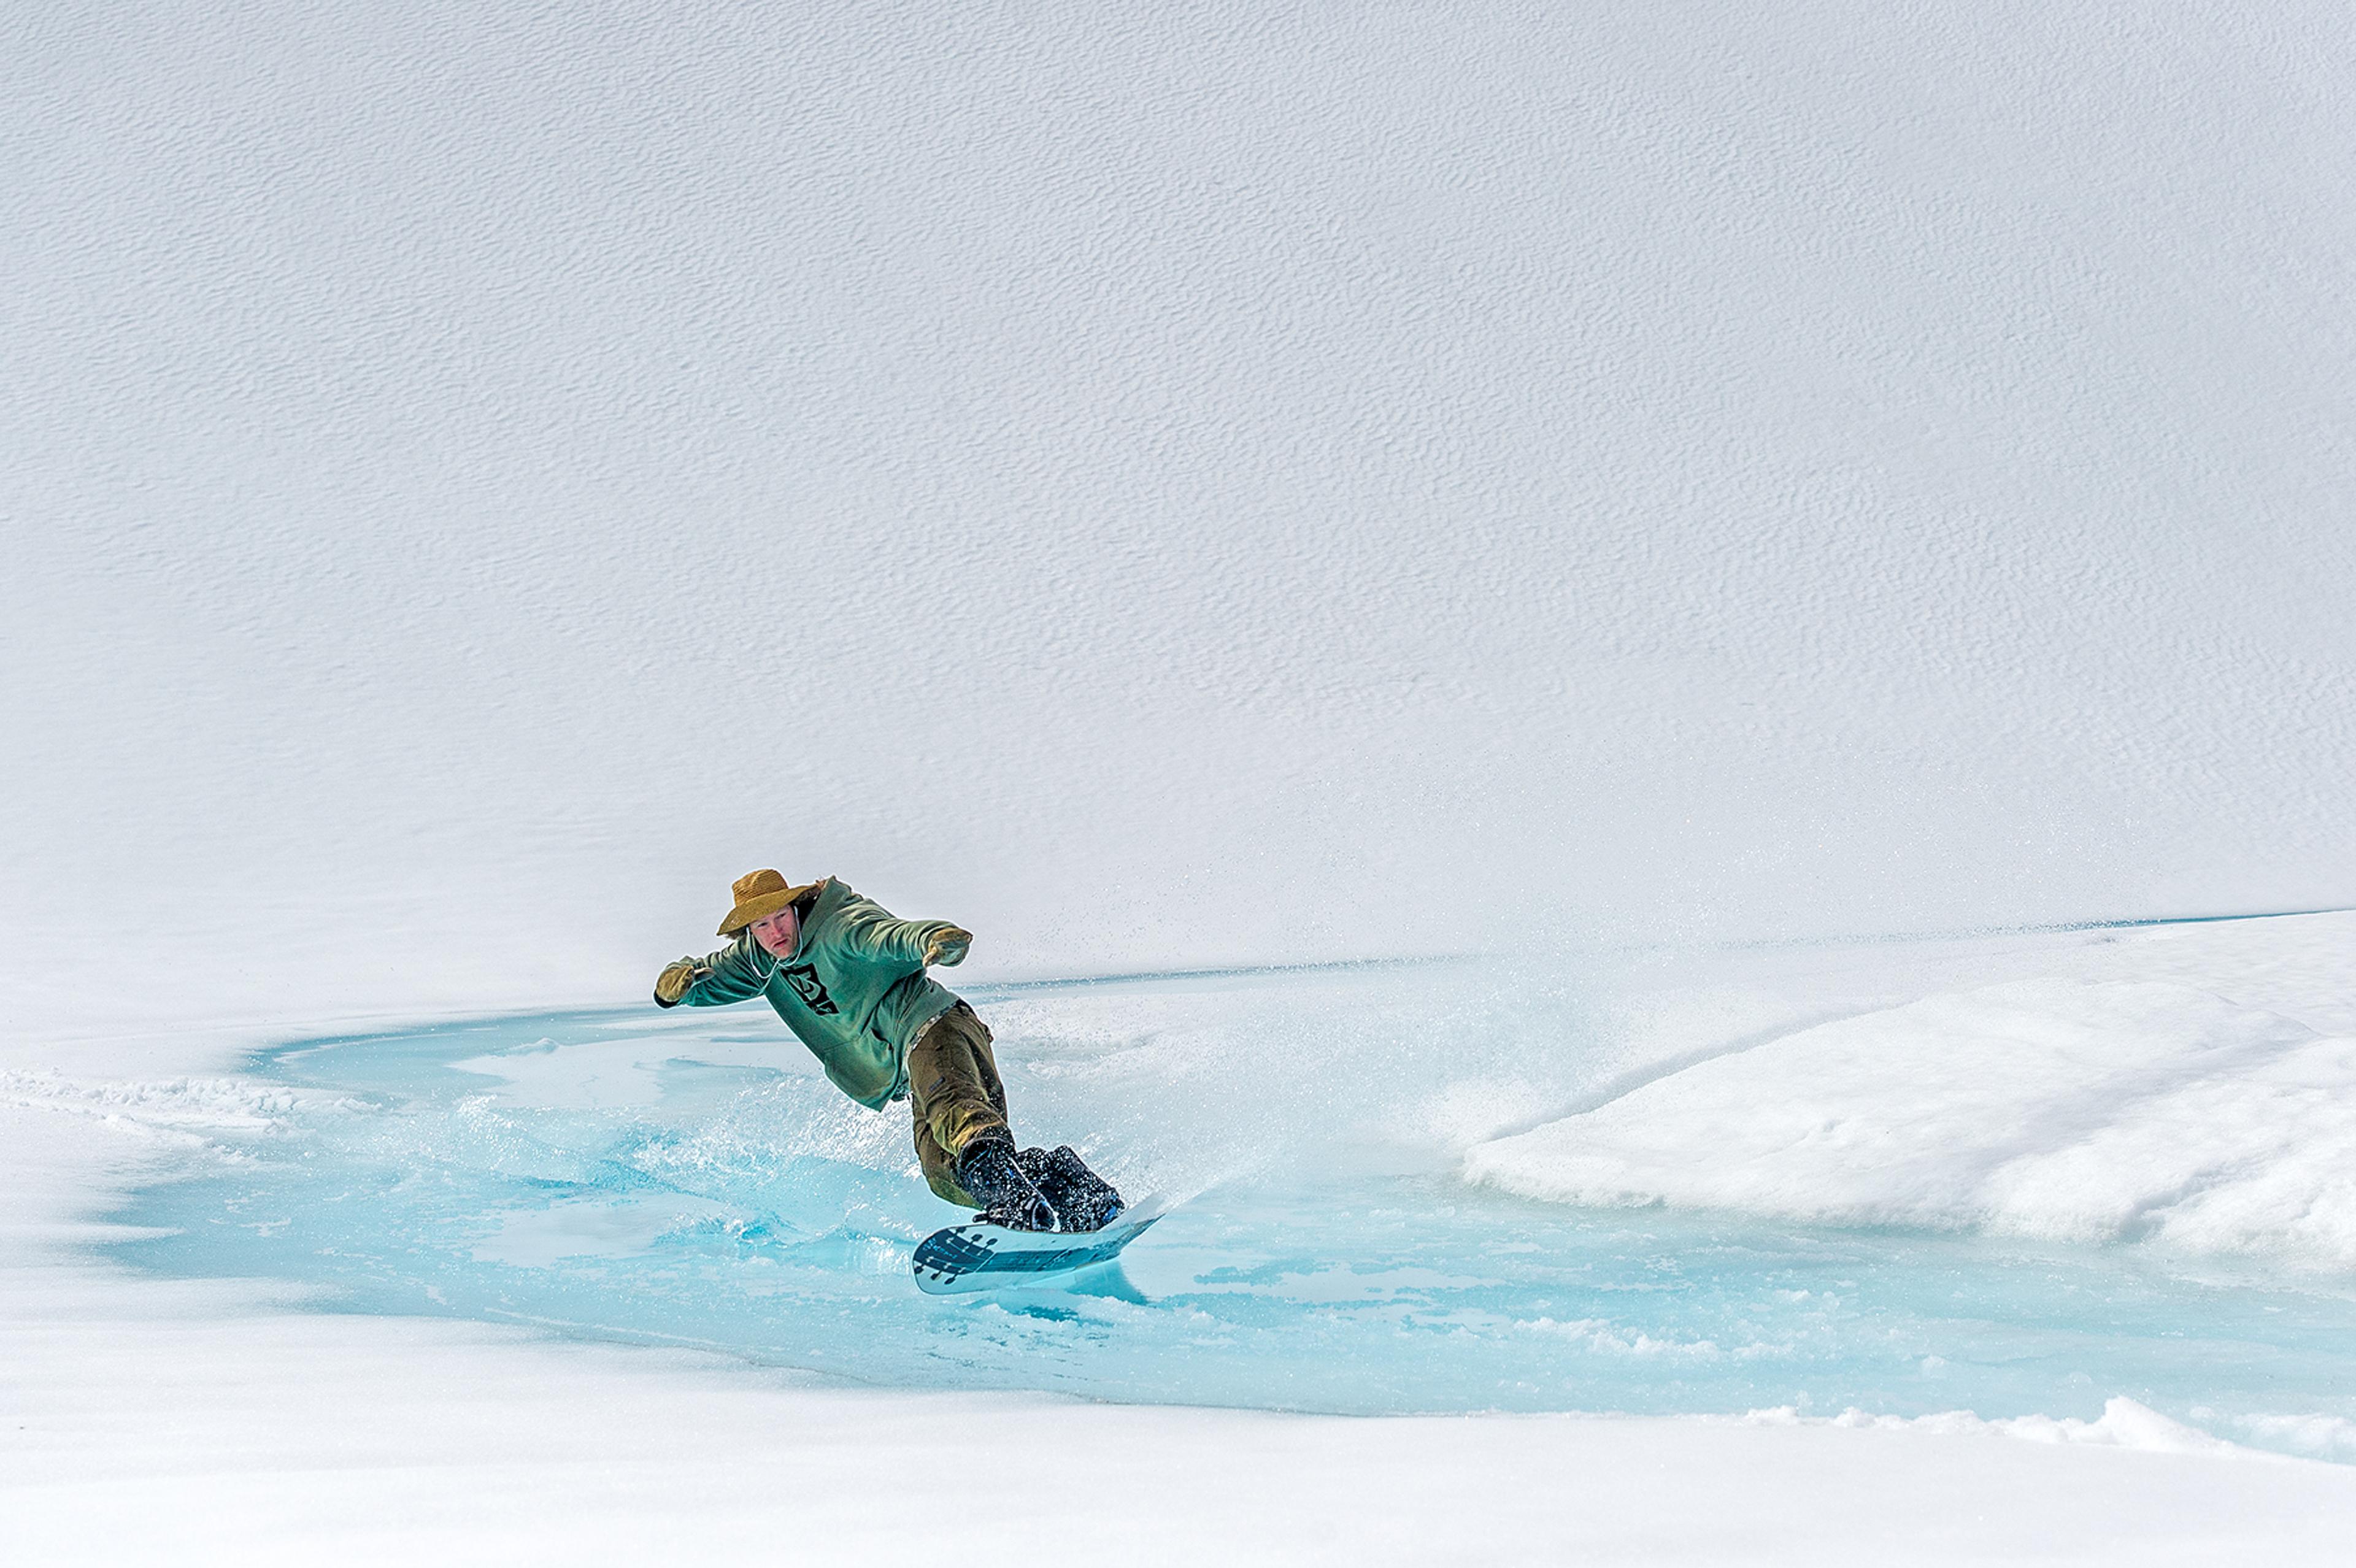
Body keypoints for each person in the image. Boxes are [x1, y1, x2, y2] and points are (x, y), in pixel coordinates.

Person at [654, 869, 1122, 1232]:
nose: (775, 932)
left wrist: (932, 940)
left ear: (796, 910)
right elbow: (708, 975)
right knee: (942, 1172)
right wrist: (679, 984)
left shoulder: (839, 927)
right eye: (762, 925)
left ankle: (1017, 1206)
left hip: (933, 1028)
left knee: (958, 1117)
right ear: (750, 932)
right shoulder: (760, 959)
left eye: (780, 918)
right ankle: (1070, 1188)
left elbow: (888, 935)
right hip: (907, 1062)